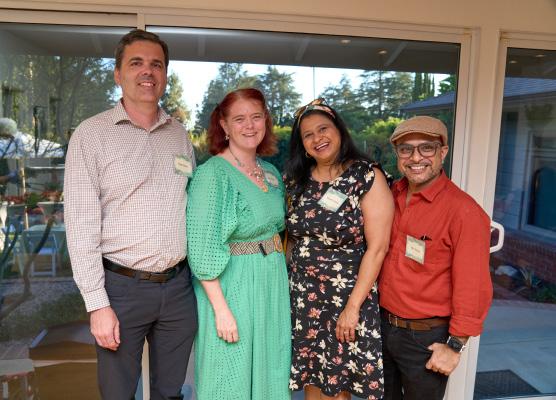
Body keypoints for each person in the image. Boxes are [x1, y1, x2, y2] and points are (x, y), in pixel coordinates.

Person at [64, 29, 197, 400]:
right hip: (121, 290)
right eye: (136, 63)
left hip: (178, 288)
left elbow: (191, 203)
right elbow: (80, 226)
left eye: (156, 64)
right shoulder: (91, 135)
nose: (147, 71)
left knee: (170, 392)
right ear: (117, 74)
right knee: (118, 393)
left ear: (165, 74)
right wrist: (97, 305)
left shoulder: (179, 135)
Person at [284, 98, 394, 400]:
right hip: (304, 297)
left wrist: (353, 308)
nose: (317, 138)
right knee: (312, 381)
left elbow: (378, 248)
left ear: (339, 131)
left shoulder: (365, 176)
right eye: (308, 135)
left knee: (336, 386)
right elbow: (291, 239)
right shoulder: (296, 180)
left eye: (323, 129)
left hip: (344, 298)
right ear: (302, 145)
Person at [186, 88, 291, 400]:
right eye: (239, 119)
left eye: (256, 117)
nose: (250, 126)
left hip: (270, 284)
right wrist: (221, 311)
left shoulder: (270, 172)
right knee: (228, 373)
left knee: (270, 370)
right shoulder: (211, 175)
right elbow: (201, 250)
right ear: (224, 125)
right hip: (233, 287)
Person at [379, 115, 493, 400]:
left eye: (426, 148)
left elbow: (473, 285)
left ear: (443, 152)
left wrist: (455, 345)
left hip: (425, 339)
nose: (416, 157)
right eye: (406, 149)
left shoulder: (464, 212)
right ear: (397, 155)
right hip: (381, 326)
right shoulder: (391, 194)